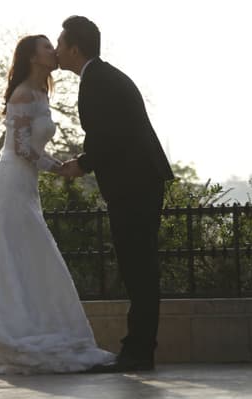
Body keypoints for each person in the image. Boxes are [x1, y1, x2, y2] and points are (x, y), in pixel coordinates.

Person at [0, 34, 115, 374]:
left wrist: (57, 166)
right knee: (16, 257)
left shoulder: (42, 93)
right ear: (33, 57)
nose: (54, 51)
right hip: (9, 185)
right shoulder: (22, 94)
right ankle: (14, 331)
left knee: (31, 257)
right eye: (48, 47)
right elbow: (19, 147)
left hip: (26, 187)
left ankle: (36, 324)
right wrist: (59, 168)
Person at [56, 16, 175, 372]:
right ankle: (138, 349)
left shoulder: (97, 82)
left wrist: (82, 163)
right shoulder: (103, 77)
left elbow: (110, 136)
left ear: (75, 48)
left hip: (134, 185)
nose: (58, 51)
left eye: (61, 45)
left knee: (138, 269)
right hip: (139, 182)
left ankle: (138, 353)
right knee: (139, 268)